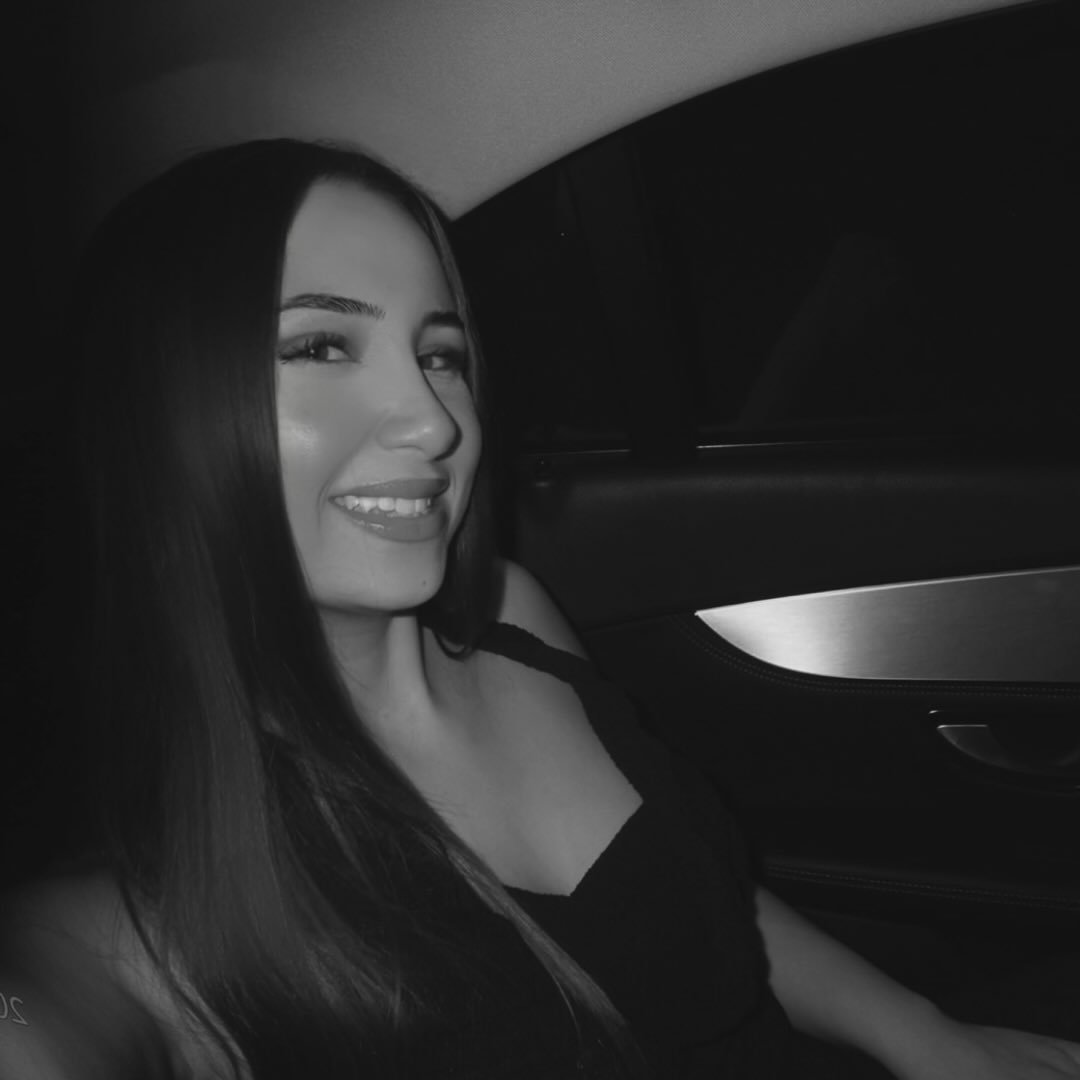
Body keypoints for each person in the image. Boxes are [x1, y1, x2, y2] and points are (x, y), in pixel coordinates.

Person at [1, 138, 1077, 1080]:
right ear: (163, 406)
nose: (434, 420)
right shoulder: (137, 918)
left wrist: (926, 1036)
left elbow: (701, 903)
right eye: (322, 346)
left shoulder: (514, 619)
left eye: (440, 354)